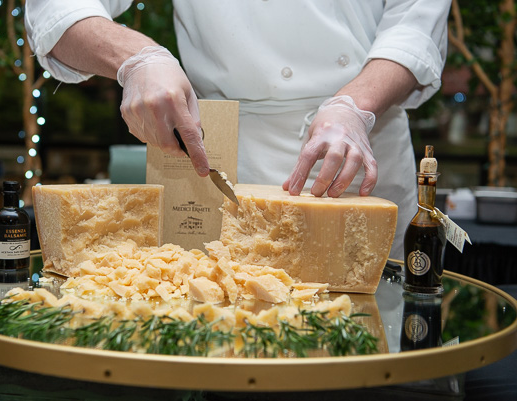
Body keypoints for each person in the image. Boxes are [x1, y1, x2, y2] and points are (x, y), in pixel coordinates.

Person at [25, 0, 451, 259]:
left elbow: (414, 28)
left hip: (362, 145)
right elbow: (55, 12)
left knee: (371, 346)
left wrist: (354, 106)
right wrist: (138, 58)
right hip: (226, 156)